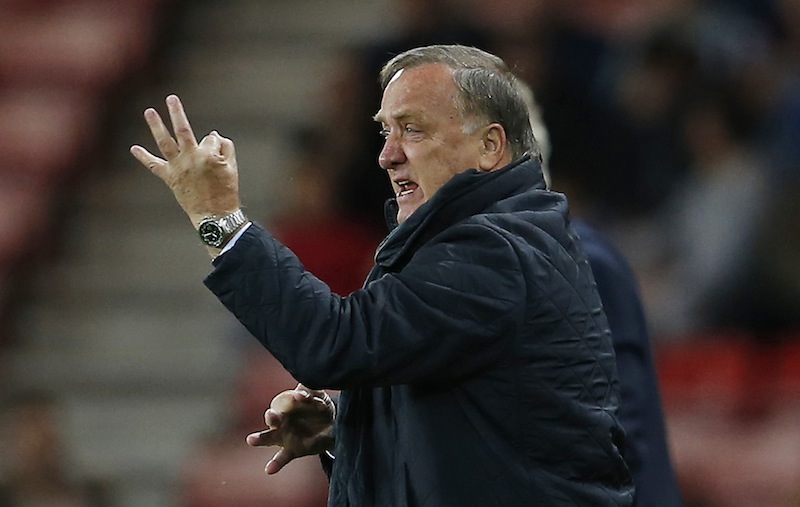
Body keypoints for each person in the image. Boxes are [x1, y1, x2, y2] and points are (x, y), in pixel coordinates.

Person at [131, 44, 634, 506]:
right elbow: (476, 430)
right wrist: (349, 425)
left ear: (489, 146)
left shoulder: (495, 252)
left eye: (412, 129)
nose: (387, 154)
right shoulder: (467, 243)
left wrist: (220, 219)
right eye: (385, 131)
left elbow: (336, 343)